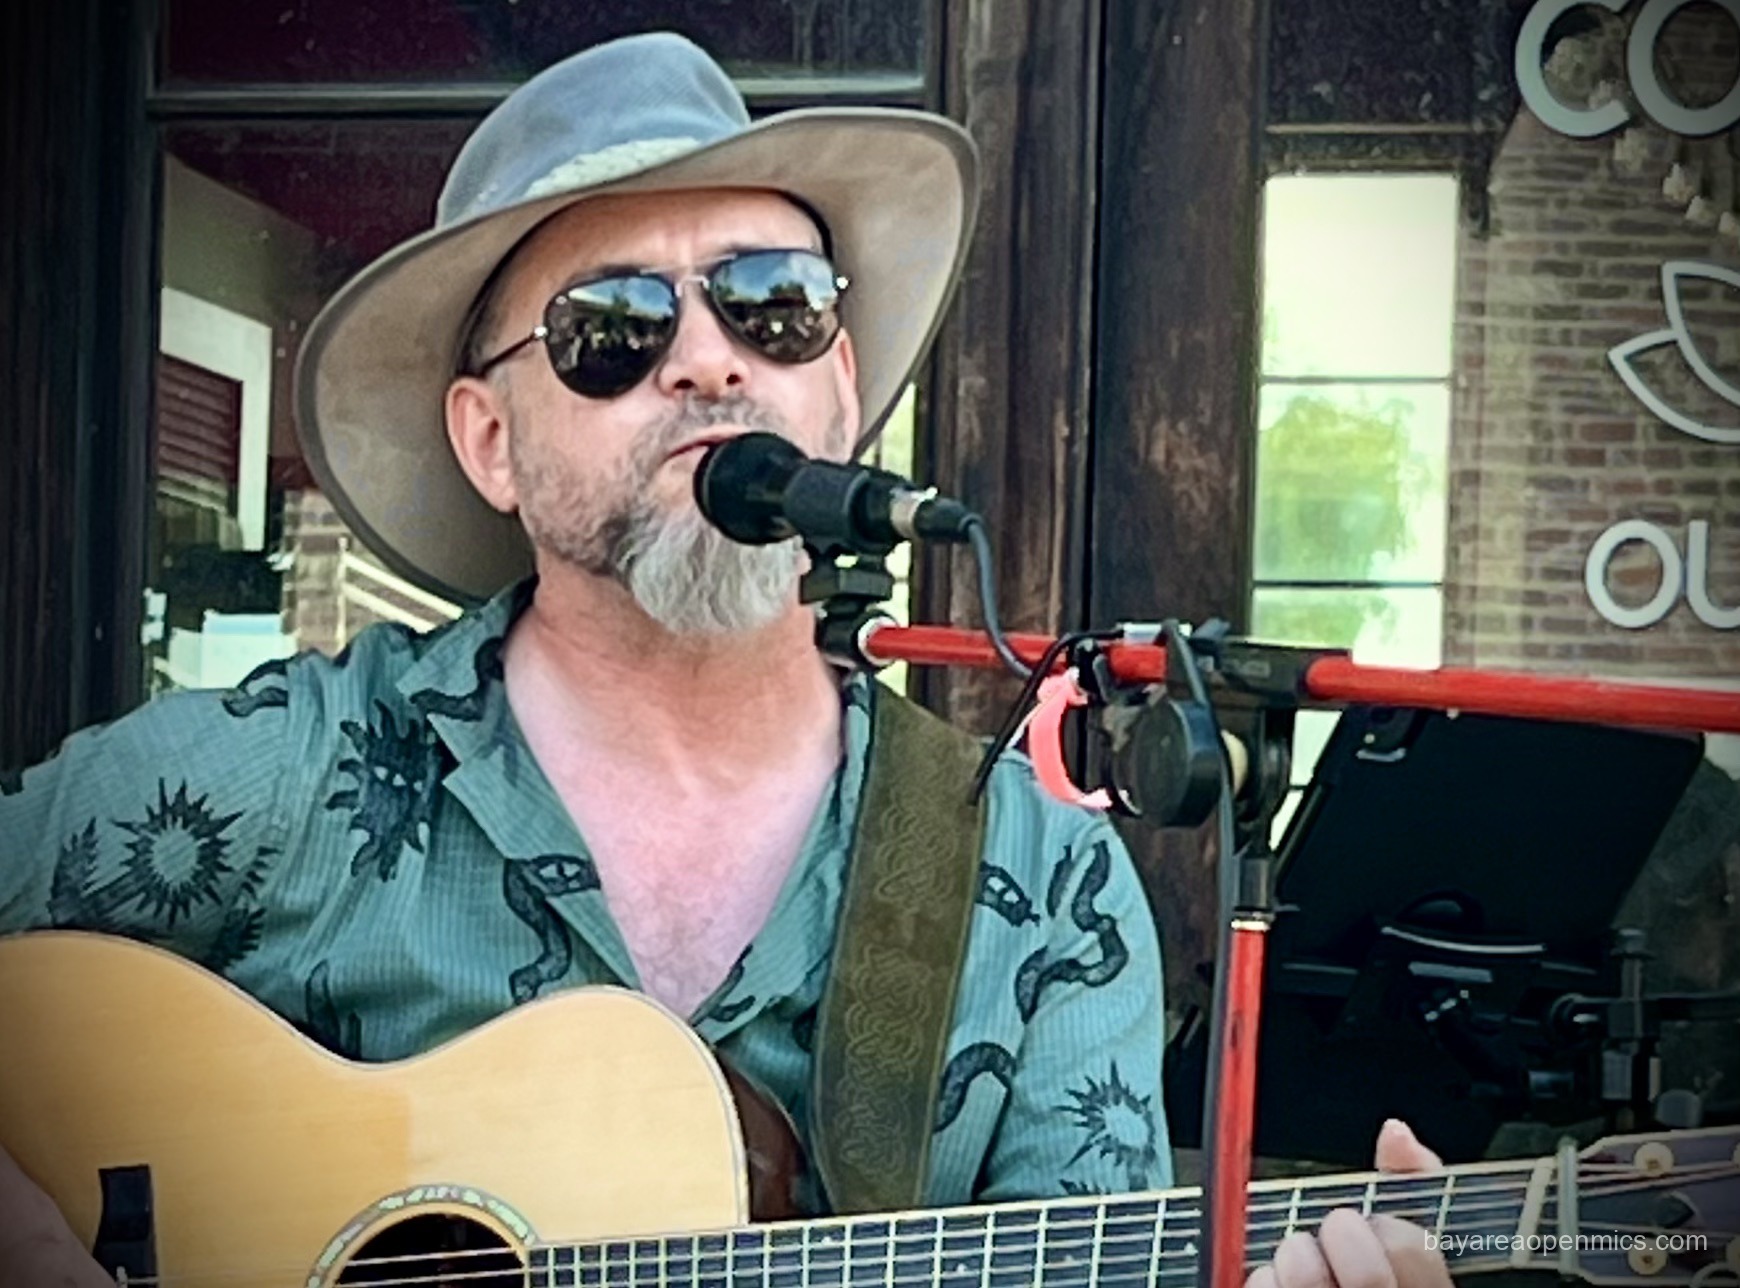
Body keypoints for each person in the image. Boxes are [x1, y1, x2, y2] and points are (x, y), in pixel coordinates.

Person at [0, 32, 1450, 1288]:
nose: (707, 361)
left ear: (838, 385)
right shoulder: (282, 773)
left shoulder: (1040, 890)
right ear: (489, 440)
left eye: (770, 304)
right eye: (612, 329)